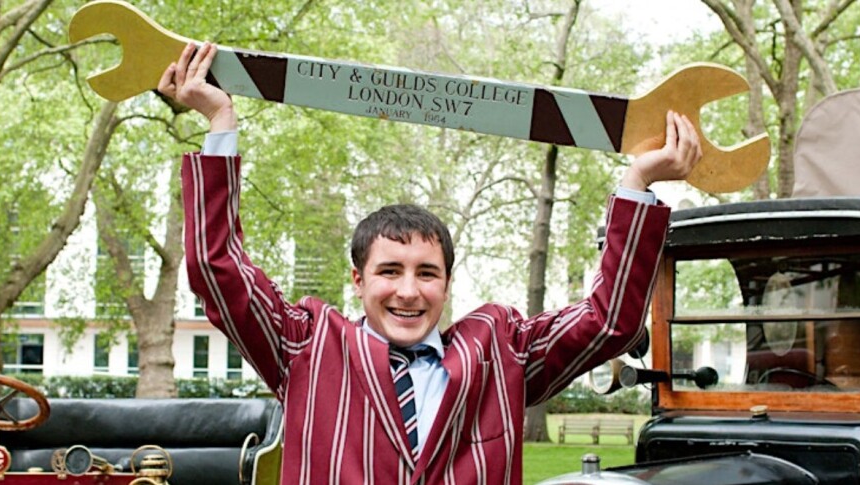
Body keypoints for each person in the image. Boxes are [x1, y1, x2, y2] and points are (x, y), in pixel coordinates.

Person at [161, 42, 701, 484]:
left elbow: (609, 321)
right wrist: (220, 120)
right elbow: (217, 267)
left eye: (426, 273)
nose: (408, 291)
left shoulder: (500, 353)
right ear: (358, 280)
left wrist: (637, 184)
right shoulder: (306, 346)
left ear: (446, 283)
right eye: (389, 271)